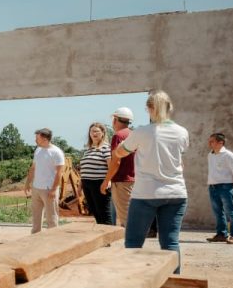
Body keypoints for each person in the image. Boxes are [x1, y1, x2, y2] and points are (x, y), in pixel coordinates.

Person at [108, 90, 190, 272]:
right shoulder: (182, 132)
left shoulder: (142, 132)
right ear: (170, 108)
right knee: (170, 242)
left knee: (134, 241)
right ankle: (174, 282)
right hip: (176, 193)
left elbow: (119, 152)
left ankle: (133, 282)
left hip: (146, 193)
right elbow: (179, 159)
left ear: (149, 109)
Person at [24, 128, 66, 234]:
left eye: (37, 138)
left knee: (51, 219)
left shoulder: (56, 152)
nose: (35, 140)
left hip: (49, 190)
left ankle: (52, 242)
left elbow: (59, 173)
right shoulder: (38, 150)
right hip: (36, 188)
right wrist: (27, 183)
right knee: (36, 218)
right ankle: (34, 240)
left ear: (44, 138)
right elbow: (33, 168)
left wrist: (53, 189)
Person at [102, 106, 136, 226]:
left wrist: (106, 181)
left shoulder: (118, 136)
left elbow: (116, 162)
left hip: (122, 182)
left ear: (115, 119)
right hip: (134, 180)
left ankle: (133, 243)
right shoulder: (133, 134)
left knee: (126, 220)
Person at [207, 132, 233, 244]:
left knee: (231, 212)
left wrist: (232, 183)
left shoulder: (229, 155)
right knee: (218, 212)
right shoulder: (210, 155)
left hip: (226, 187)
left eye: (212, 141)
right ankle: (221, 234)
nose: (209, 143)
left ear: (220, 142)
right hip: (212, 187)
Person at [79, 122, 114, 225]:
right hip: (87, 184)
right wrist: (80, 186)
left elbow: (111, 166)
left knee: (104, 212)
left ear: (102, 133)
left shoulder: (106, 148)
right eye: (91, 131)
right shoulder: (88, 150)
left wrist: (108, 181)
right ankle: (103, 238)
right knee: (95, 212)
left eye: (96, 131)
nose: (93, 133)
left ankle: (108, 238)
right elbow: (84, 169)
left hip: (99, 184)